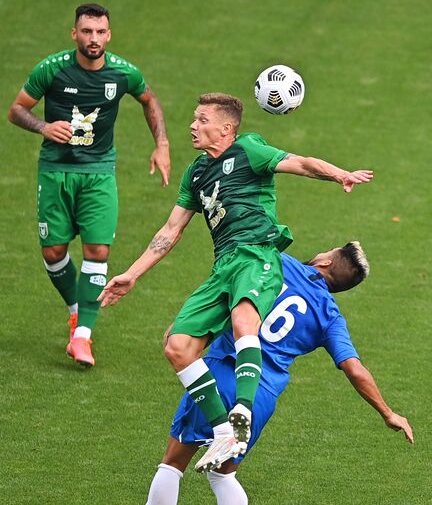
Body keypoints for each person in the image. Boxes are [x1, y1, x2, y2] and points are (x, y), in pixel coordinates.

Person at [99, 92, 373, 470]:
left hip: (256, 254)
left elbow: (301, 163)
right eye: (194, 118)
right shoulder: (196, 173)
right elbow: (170, 230)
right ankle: (223, 429)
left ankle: (242, 410)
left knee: (245, 320)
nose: (193, 126)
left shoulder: (248, 149)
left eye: (202, 120)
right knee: (177, 346)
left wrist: (339, 174)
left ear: (226, 129)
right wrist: (132, 273)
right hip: (223, 266)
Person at [145, 242, 414, 505]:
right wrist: (388, 413)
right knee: (223, 476)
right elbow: (355, 369)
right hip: (260, 399)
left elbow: (224, 288)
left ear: (326, 261)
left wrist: (184, 327)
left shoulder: (277, 262)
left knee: (173, 463)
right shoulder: (331, 317)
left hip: (223, 373)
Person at [8, 3, 170, 367]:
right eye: (86, 31)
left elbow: (149, 100)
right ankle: (77, 311)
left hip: (99, 172)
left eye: (100, 32)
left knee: (97, 250)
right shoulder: (51, 69)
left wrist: (162, 145)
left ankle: (82, 336)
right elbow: (16, 110)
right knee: (53, 253)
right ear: (74, 34)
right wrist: (43, 127)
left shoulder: (123, 73)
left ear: (108, 35)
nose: (93, 39)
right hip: (55, 171)